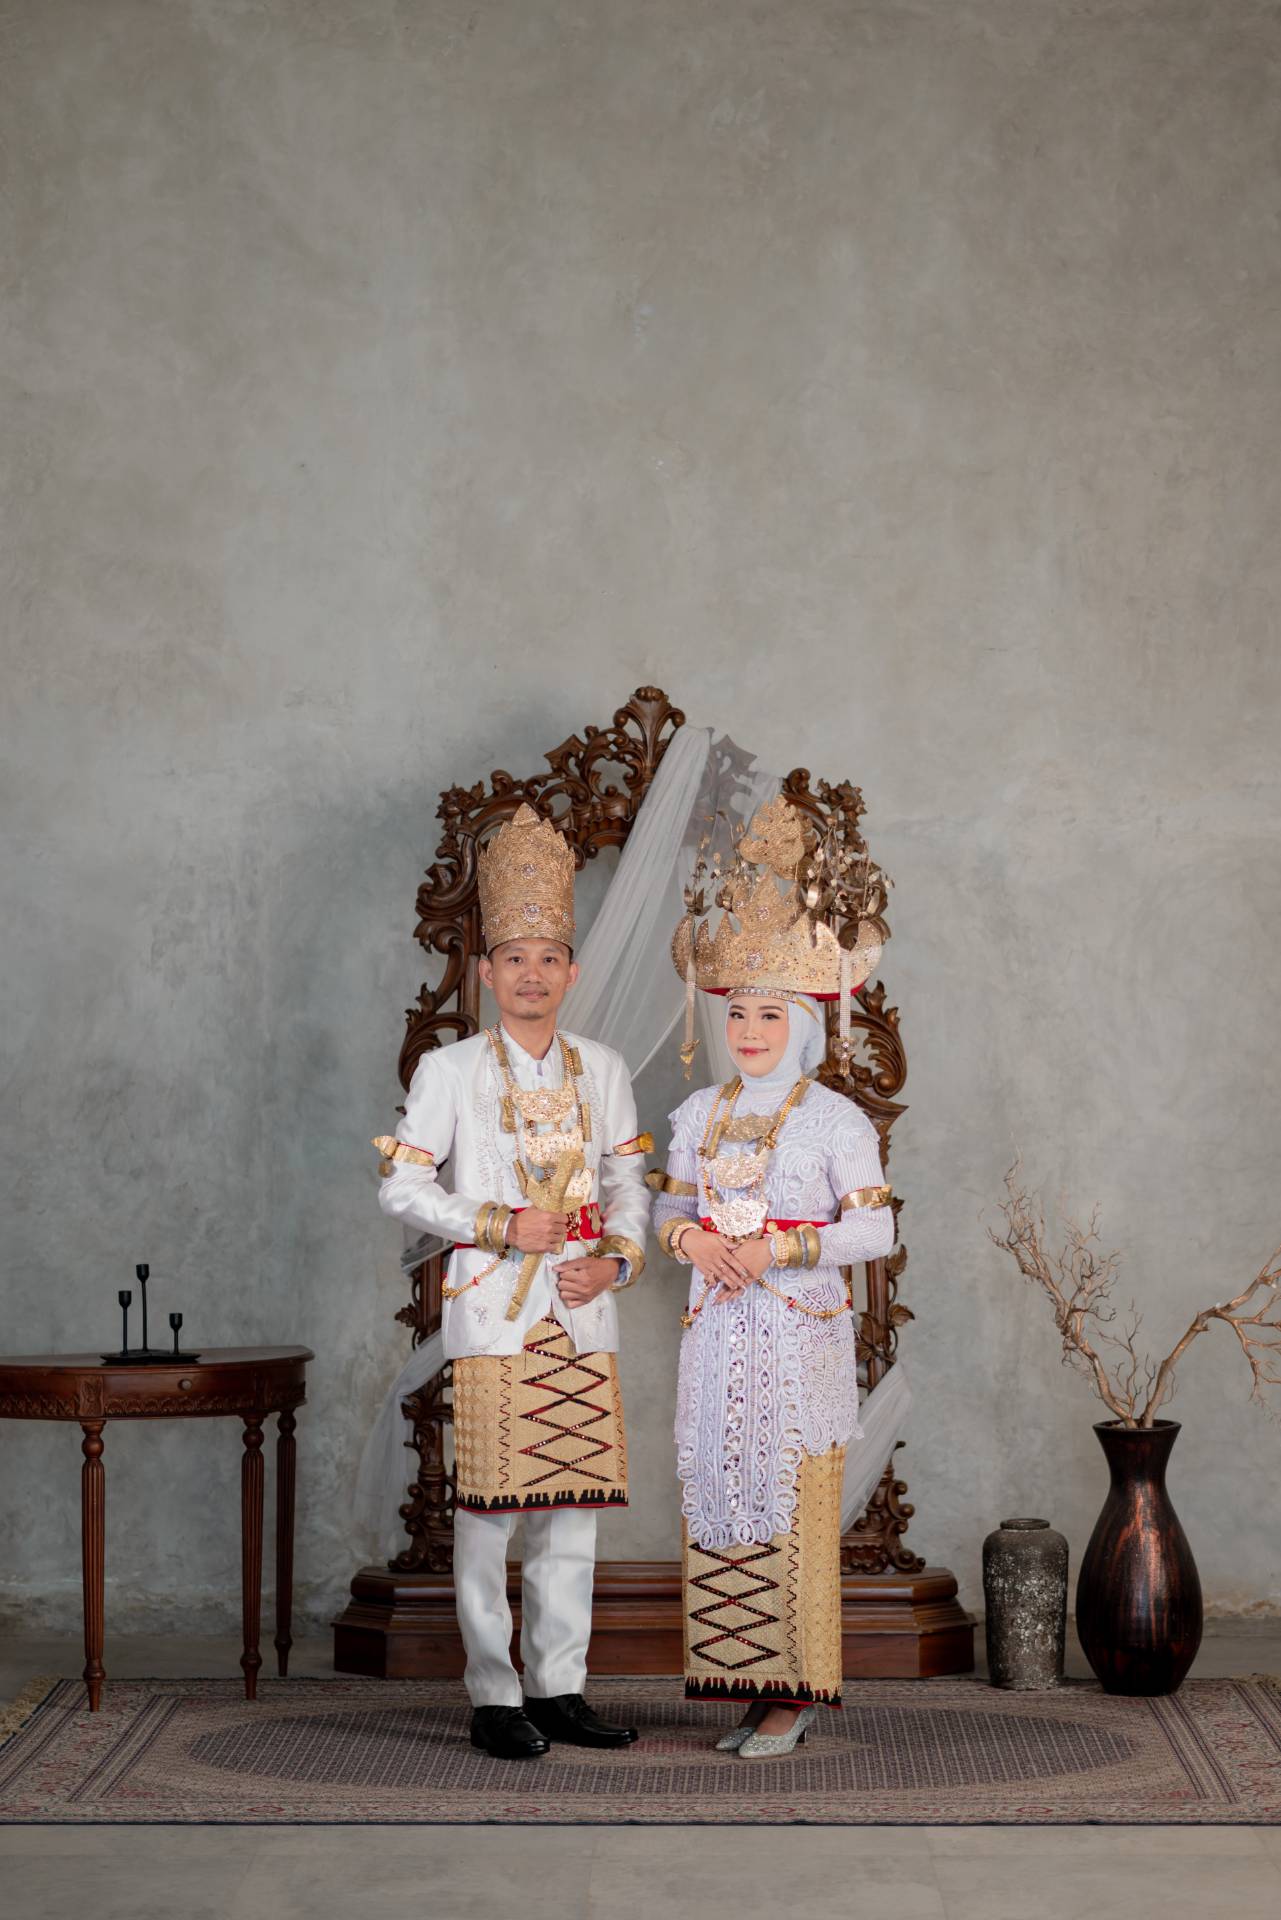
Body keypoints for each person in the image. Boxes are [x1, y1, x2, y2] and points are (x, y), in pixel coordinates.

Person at [373, 803, 650, 1760]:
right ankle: (495, 1694)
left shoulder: (602, 1069)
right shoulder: (449, 1070)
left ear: (572, 972)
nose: (532, 974)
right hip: (493, 1316)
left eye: (549, 958)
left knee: (571, 1513)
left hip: (581, 1313)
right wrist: (495, 1223)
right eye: (514, 958)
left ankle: (560, 1687)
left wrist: (617, 1260)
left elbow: (629, 1186)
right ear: (487, 973)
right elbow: (402, 1186)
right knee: (490, 1515)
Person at [651, 796, 894, 1757]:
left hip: (798, 1341)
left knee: (793, 1494)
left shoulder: (836, 1120)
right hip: (716, 1337)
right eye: (738, 1012)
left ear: (804, 1022)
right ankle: (749, 1684)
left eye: (770, 1014)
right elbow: (669, 1212)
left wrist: (779, 1249)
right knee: (721, 1489)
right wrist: (689, 1242)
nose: (750, 1029)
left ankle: (795, 1695)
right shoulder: (697, 1114)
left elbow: (872, 1228)